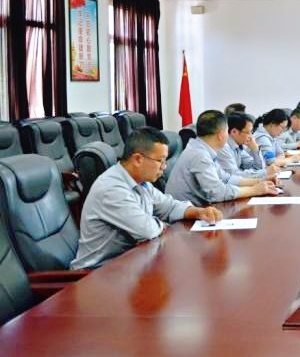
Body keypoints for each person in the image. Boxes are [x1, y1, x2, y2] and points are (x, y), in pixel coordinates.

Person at [71, 127, 223, 269]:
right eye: (160, 161)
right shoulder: (111, 188)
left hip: (128, 264)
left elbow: (168, 206)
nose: (164, 167)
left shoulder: (142, 183)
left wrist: (198, 212)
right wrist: (163, 225)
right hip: (95, 274)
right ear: (138, 159)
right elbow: (147, 230)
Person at [166, 110, 278, 205]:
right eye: (227, 131)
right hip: (187, 217)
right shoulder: (199, 155)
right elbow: (217, 193)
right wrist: (254, 190)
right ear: (220, 135)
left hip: (200, 208)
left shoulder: (204, 150)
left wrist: (260, 181)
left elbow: (226, 178)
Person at [217, 112, 269, 179]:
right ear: (234, 132)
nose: (251, 136)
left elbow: (257, 167)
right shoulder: (223, 147)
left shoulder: (238, 145)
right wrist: (265, 172)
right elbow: (234, 175)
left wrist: (255, 149)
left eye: (251, 132)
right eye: (248, 132)